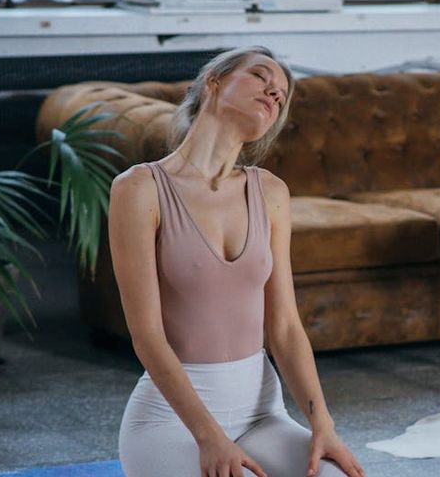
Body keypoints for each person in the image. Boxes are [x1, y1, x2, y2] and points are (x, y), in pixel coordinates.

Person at [109, 46, 364, 477]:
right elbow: (147, 335)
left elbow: (284, 327)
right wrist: (209, 437)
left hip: (261, 415)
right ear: (214, 84)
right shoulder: (140, 189)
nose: (273, 92)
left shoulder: (270, 192)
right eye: (260, 77)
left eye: (281, 94)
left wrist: (323, 423)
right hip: (172, 424)